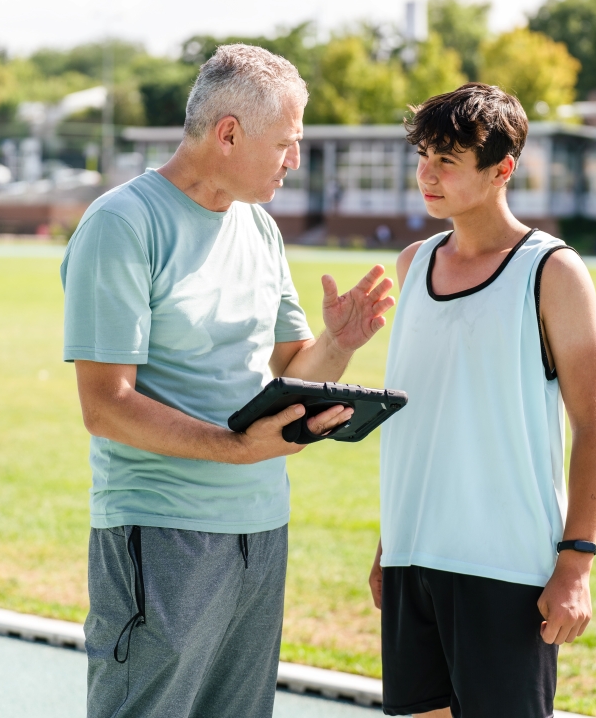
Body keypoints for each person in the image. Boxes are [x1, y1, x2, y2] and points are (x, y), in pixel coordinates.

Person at [61, 44, 395, 718]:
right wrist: (234, 447)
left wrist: (339, 342)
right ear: (230, 134)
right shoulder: (122, 225)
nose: (293, 161)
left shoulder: (260, 228)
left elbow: (295, 371)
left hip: (261, 529)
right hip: (161, 532)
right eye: (287, 143)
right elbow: (105, 406)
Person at [368, 84, 596, 718]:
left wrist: (577, 562)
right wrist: (385, 547)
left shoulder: (552, 271)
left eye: (447, 160)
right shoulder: (412, 265)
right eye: (423, 155)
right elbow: (424, 417)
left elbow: (594, 424)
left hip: (504, 567)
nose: (427, 174)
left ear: (502, 169)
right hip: (411, 557)